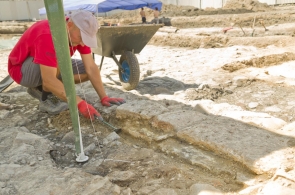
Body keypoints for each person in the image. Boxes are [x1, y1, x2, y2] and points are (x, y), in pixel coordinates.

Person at [8, 10, 125, 119]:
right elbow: (49, 78)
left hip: (48, 64)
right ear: (69, 26)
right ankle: (45, 98)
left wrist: (104, 97)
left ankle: (43, 87)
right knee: (58, 58)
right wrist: (79, 103)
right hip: (22, 71)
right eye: (81, 38)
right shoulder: (49, 34)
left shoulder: (78, 33)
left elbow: (90, 67)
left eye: (86, 39)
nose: (82, 43)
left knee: (85, 71)